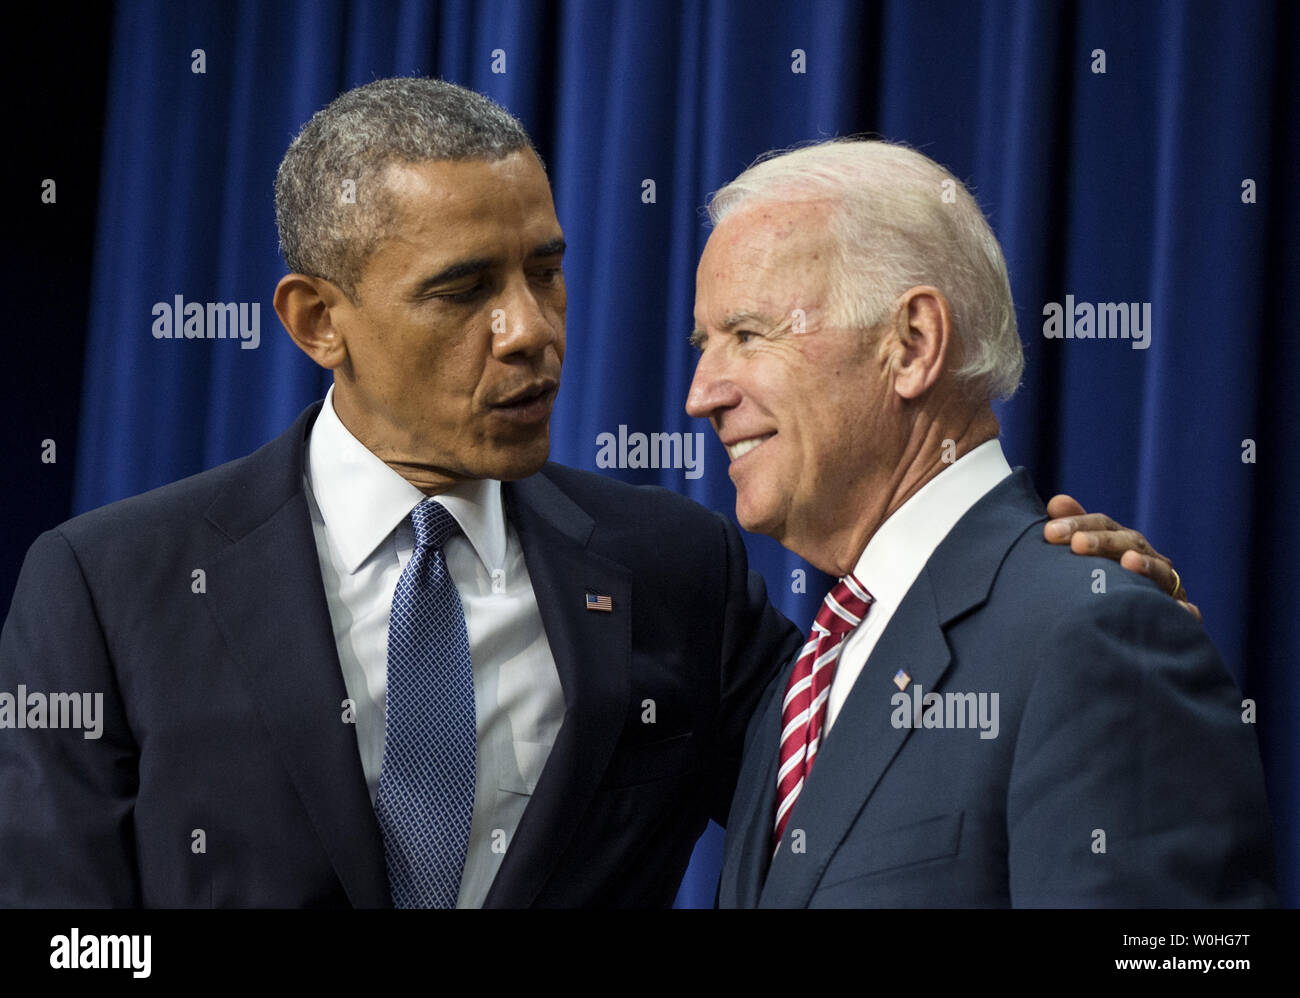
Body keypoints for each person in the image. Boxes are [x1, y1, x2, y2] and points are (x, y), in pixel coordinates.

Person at [0, 79, 1186, 908]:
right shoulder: (112, 587)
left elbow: (883, 766)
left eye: (546, 271)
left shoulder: (673, 573)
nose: (530, 332)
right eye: (463, 289)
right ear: (319, 321)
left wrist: (1060, 603)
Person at [688, 138, 1276, 907]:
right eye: (705, 346)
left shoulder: (1094, 636)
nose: (702, 394)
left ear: (912, 345)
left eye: (747, 334)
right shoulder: (800, 684)